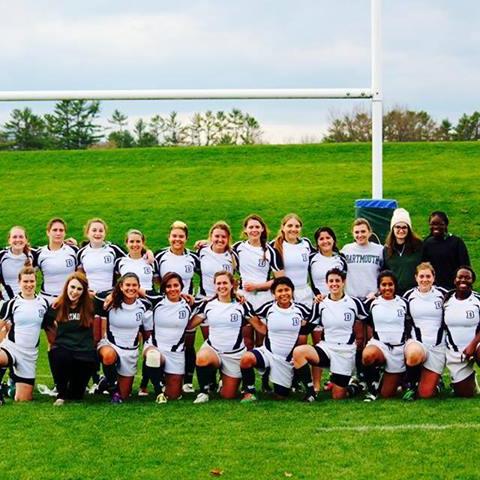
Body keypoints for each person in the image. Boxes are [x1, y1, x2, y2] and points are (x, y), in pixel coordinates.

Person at [293, 268, 366, 401]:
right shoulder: (321, 304)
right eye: (331, 281)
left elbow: (369, 320)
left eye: (337, 281)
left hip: (345, 351)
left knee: (338, 397)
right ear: (326, 283)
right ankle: (310, 393)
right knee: (299, 352)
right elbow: (308, 327)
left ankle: (354, 387)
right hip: (326, 348)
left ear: (343, 282)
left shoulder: (354, 303)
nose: (334, 284)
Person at [188, 271, 260, 403]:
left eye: (225, 283)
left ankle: (225, 383)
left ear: (232, 285)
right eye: (218, 283)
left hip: (234, 354)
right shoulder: (207, 304)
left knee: (228, 395)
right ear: (214, 286)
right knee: (202, 357)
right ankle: (204, 392)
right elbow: (190, 325)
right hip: (213, 350)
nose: (222, 286)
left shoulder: (242, 305)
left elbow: (260, 327)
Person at [182, 221, 237, 394]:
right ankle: (188, 381)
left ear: (228, 239)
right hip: (202, 301)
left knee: (216, 341)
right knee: (188, 341)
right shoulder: (201, 252)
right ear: (210, 237)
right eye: (216, 236)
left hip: (223, 304)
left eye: (223, 237)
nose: (220, 239)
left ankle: (218, 380)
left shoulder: (233, 255)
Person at [240, 276, 312, 402]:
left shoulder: (301, 310)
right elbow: (253, 317)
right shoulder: (268, 308)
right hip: (268, 353)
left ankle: (289, 380)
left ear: (292, 291)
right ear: (273, 293)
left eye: (287, 290)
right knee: (246, 358)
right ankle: (249, 392)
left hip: (285, 360)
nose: (284, 293)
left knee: (281, 395)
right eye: (279, 291)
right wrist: (242, 301)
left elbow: (315, 318)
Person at [95, 273, 153, 403]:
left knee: (125, 395)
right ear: (121, 286)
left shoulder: (144, 305)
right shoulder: (111, 301)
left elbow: (147, 331)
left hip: (130, 350)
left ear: (139, 287)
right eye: (127, 285)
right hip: (110, 344)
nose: (130, 288)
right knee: (109, 356)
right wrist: (112, 294)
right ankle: (112, 387)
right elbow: (96, 295)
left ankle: (105, 382)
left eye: (134, 285)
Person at [47, 272, 99, 406]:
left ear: (84, 291)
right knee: (59, 355)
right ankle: (61, 392)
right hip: (64, 348)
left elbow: (110, 298)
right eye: (72, 287)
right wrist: (53, 342)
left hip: (84, 351)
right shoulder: (57, 305)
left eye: (79, 289)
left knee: (77, 396)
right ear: (66, 287)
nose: (74, 292)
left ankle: (88, 384)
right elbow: (47, 324)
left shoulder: (92, 304)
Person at [0, 266, 51, 403]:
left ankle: (8, 389)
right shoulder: (11, 303)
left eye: (32, 281)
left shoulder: (43, 303)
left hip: (29, 355)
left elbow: (50, 328)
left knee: (23, 399)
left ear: (36, 282)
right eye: (25, 282)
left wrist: (54, 347)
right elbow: (1, 325)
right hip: (12, 347)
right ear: (19, 283)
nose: (29, 285)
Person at [142, 272, 195, 403]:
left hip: (176, 353)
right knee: (153, 356)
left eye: (176, 285)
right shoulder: (157, 300)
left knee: (174, 395)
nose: (172, 289)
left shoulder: (190, 303)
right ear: (164, 288)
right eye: (168, 286)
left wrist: (237, 294)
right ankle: (159, 391)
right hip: (155, 347)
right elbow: (132, 288)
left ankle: (164, 381)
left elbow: (214, 298)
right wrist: (111, 296)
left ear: (181, 286)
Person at [308, 226, 347, 392]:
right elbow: (307, 281)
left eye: (328, 238)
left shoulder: (341, 259)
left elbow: (345, 283)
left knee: (337, 342)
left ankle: (335, 378)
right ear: (317, 242)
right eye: (321, 238)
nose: (325, 241)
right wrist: (316, 296)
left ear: (334, 240)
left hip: (336, 306)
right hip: (318, 305)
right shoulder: (312, 258)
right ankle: (316, 383)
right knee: (318, 344)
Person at [362, 270, 409, 400]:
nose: (387, 288)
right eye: (384, 285)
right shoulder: (371, 303)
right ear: (379, 287)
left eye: (390, 284)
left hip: (398, 349)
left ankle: (401, 379)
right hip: (379, 346)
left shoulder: (404, 303)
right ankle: (372, 389)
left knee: (387, 394)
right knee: (367, 355)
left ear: (395, 286)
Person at [403, 262, 447, 399]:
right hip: (417, 343)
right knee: (414, 354)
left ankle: (437, 382)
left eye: (428, 276)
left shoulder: (444, 295)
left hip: (438, 347)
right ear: (416, 277)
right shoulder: (409, 296)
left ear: (433, 277)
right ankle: (411, 384)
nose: (425, 279)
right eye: (421, 276)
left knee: (426, 394)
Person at [443, 266, 480, 397]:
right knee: (465, 393)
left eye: (467, 277)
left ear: (472, 280)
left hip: (476, 346)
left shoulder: (478, 300)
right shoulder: (446, 300)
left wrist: (473, 345)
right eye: (460, 277)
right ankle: (470, 380)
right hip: (456, 352)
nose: (463, 280)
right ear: (454, 280)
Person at [233, 214, 284, 310]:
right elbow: (220, 247)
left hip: (264, 297)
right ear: (245, 230)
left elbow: (280, 279)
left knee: (263, 324)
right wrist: (206, 242)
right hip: (242, 296)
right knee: (243, 325)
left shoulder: (271, 251)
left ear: (262, 229)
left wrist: (257, 286)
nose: (254, 230)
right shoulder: (238, 247)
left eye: (257, 227)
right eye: (251, 227)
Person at [32, 218, 78, 305]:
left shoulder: (73, 250)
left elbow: (82, 272)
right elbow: (28, 275)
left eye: (61, 230)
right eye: (55, 230)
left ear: (65, 233)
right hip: (47, 299)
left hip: (69, 299)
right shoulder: (39, 253)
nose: (58, 233)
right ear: (48, 232)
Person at [272, 214, 314, 307]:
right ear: (283, 227)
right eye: (290, 226)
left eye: (297, 226)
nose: (294, 229)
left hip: (305, 293)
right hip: (286, 294)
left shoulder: (306, 243)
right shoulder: (275, 246)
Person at [422, 211, 470, 290]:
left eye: (440, 224)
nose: (436, 227)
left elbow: (465, 266)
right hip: (433, 289)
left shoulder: (457, 242)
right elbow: (424, 267)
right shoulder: (427, 243)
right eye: (433, 224)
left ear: (446, 225)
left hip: (453, 288)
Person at [77, 218, 126, 294]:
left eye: (101, 231)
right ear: (87, 233)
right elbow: (77, 272)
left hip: (110, 295)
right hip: (89, 295)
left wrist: (147, 252)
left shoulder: (113, 249)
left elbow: (132, 258)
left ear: (105, 233)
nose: (98, 233)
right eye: (94, 230)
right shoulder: (82, 252)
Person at [341, 218, 384, 300]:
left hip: (372, 298)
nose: (360, 235)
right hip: (351, 298)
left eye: (363, 231)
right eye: (356, 232)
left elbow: (384, 273)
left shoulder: (379, 250)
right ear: (353, 234)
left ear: (370, 232)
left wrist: (378, 292)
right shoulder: (346, 250)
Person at [383, 208, 423, 295]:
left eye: (404, 227)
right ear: (392, 229)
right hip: (394, 293)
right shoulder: (387, 249)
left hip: (415, 292)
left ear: (409, 229)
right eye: (397, 227)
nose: (401, 230)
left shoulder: (418, 246)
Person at [155, 221, 199, 295]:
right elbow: (153, 277)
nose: (177, 239)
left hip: (187, 302)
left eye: (181, 236)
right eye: (174, 236)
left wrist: (208, 242)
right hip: (165, 301)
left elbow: (207, 274)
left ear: (186, 238)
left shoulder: (193, 257)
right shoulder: (159, 255)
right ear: (169, 237)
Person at [114, 229, 158, 294]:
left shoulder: (151, 261)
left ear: (143, 243)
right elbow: (115, 280)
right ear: (126, 243)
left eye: (138, 241)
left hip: (148, 298)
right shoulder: (120, 262)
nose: (135, 244)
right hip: (128, 299)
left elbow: (158, 281)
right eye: (131, 241)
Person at [0, 226, 33, 300]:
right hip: (8, 302)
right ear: (9, 240)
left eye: (21, 237)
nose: (18, 240)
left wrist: (65, 242)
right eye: (14, 237)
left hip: (30, 300)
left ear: (26, 240)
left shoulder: (33, 254)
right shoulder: (2, 256)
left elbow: (51, 249)